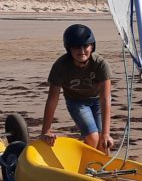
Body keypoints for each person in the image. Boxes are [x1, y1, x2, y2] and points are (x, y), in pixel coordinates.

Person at [39, 24, 114, 153]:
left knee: (103, 143)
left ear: (92, 46)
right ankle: (85, 167)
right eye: (76, 47)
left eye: (86, 46)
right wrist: (46, 131)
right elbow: (52, 99)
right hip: (76, 102)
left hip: (97, 101)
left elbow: (105, 99)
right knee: (93, 138)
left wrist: (106, 133)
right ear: (69, 49)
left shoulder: (100, 64)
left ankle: (97, 169)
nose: (82, 51)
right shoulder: (60, 66)